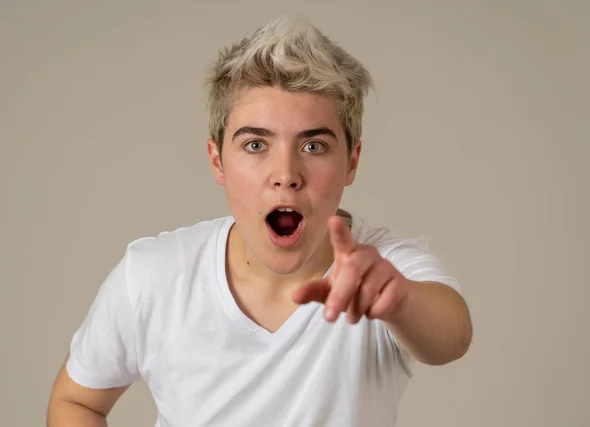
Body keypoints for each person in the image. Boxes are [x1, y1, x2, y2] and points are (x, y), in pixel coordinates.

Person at [47, 15, 472, 427]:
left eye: (314, 146)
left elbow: (452, 337)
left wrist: (398, 302)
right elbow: (75, 401)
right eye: (255, 144)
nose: (285, 174)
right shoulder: (152, 276)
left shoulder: (383, 268)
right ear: (218, 162)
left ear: (351, 162)